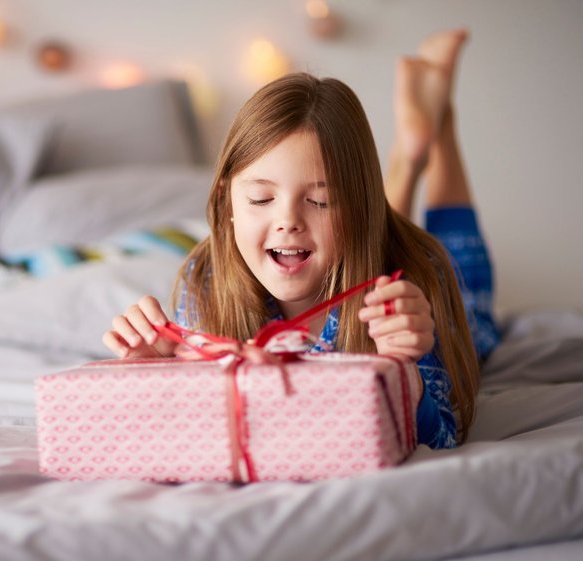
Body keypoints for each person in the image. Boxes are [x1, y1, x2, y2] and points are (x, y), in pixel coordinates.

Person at [102, 29, 499, 448]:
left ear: (360, 208)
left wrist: (403, 370)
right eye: (260, 198)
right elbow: (194, 430)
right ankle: (411, 148)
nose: (287, 221)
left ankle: (439, 128)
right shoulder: (206, 283)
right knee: (361, 236)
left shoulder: (417, 281)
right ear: (227, 203)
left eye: (319, 201)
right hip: (360, 237)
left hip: (408, 268)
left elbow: (443, 436)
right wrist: (153, 377)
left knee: (462, 276)